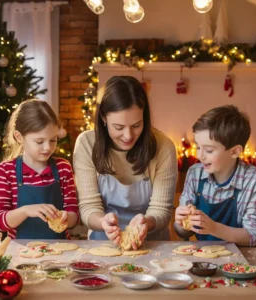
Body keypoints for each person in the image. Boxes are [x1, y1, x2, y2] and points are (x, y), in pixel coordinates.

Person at [73, 76, 178, 248]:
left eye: (136, 125)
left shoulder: (164, 147)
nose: (128, 136)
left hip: (153, 247)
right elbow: (88, 208)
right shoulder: (86, 144)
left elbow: (162, 211)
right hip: (103, 245)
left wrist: (147, 222)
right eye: (119, 127)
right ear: (103, 118)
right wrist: (102, 222)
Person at [174, 105, 256, 246]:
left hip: (242, 260)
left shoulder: (255, 180)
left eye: (208, 150)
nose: (199, 155)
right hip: (204, 257)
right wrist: (180, 223)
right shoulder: (195, 173)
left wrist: (214, 228)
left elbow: (255, 235)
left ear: (234, 152)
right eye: (198, 147)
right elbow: (184, 232)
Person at [0, 99, 79, 239]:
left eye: (53, 140)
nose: (47, 147)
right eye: (39, 141)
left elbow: (74, 215)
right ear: (19, 137)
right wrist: (25, 211)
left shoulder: (63, 168)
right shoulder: (5, 171)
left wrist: (67, 217)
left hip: (61, 250)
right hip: (21, 252)